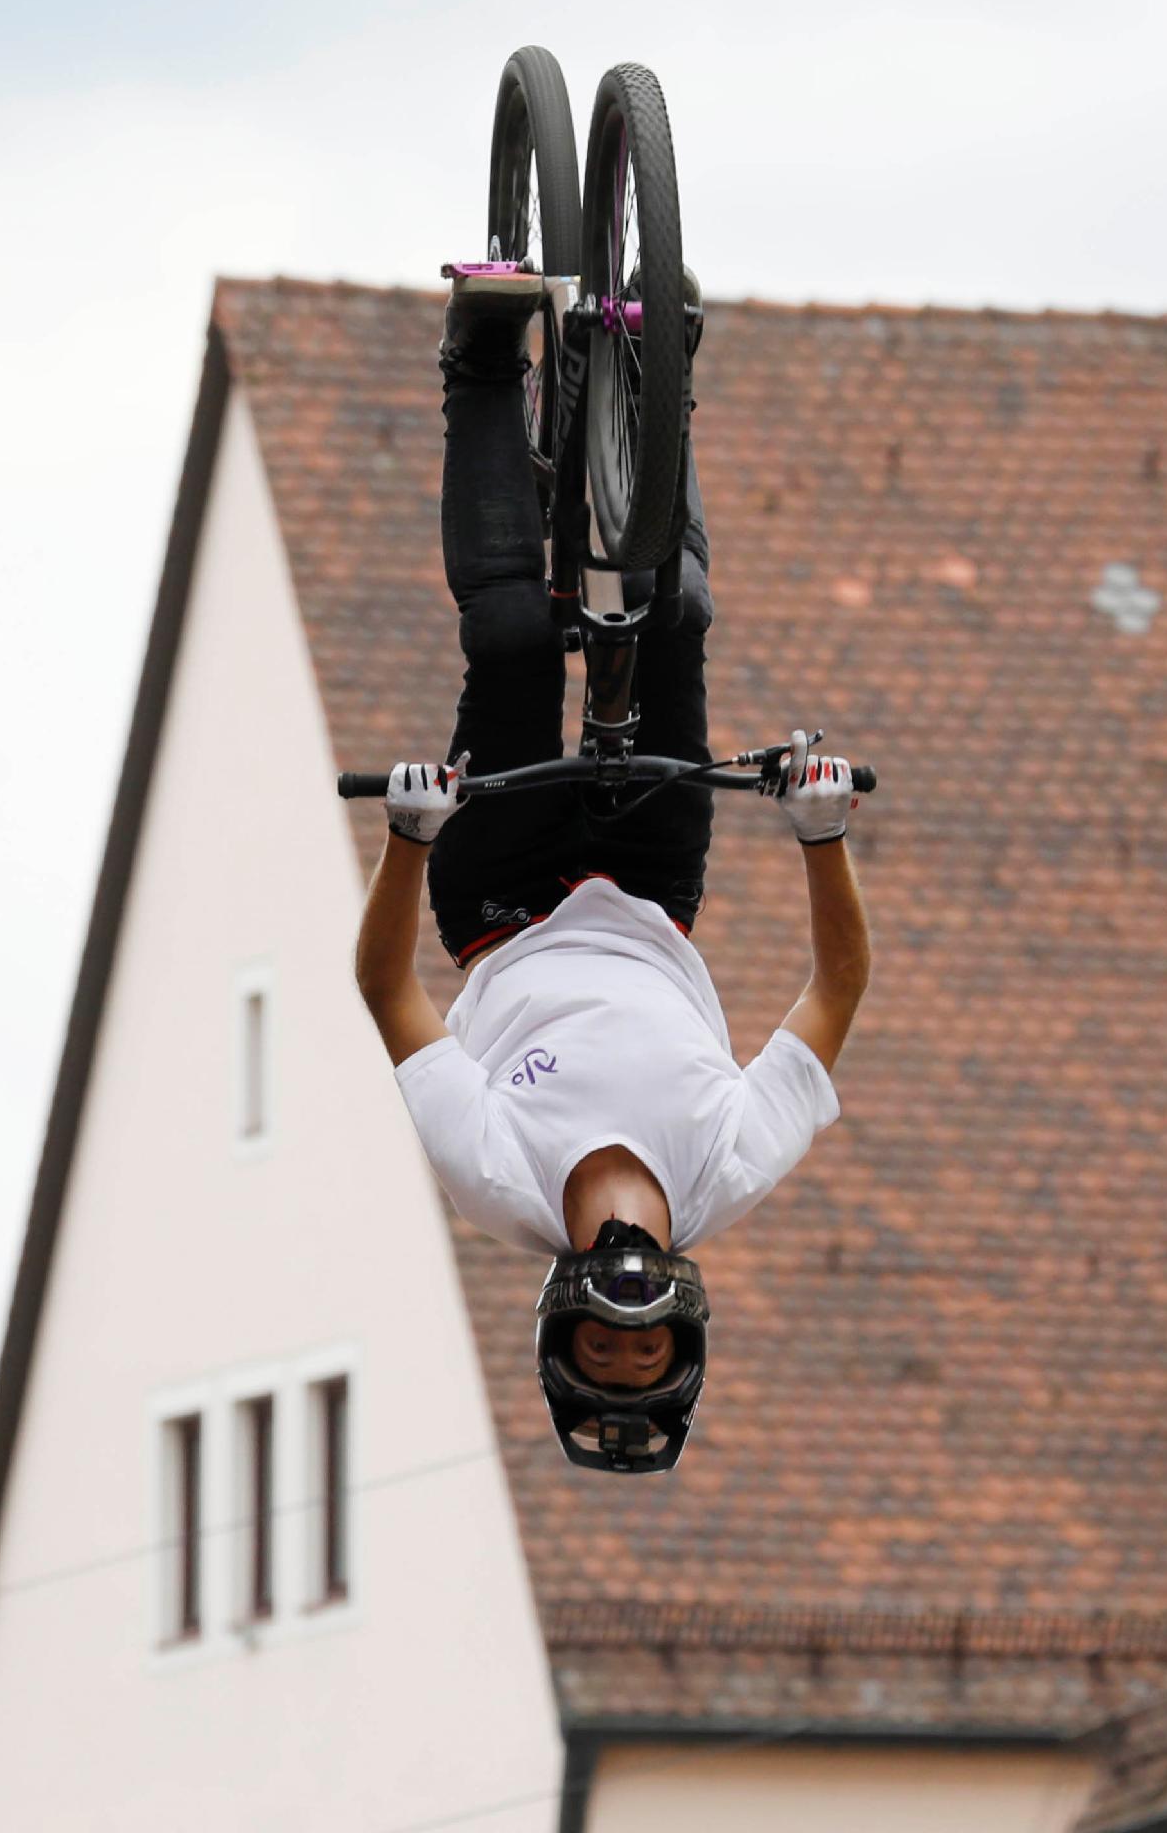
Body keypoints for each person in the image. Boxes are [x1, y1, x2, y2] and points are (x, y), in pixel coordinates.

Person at [350, 276, 872, 1472]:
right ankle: (651, 374)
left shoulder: (495, 1178)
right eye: (647, 1355)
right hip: (648, 890)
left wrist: (408, 841)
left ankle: (482, 366)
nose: (627, 1337)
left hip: (499, 901)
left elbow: (388, 995)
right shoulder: (727, 1168)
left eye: (605, 1350)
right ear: (686, 1316)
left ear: (563, 1320)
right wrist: (821, 835)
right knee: (676, 617)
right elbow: (835, 991)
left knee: (519, 638)